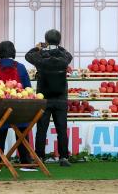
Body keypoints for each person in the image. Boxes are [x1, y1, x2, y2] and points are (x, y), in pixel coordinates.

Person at [0, 41, 36, 172]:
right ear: (13, 52)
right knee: (23, 135)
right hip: (19, 109)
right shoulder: (21, 67)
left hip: (0, 110)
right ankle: (26, 163)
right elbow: (28, 89)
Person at [26, 29, 73, 167]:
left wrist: (39, 47)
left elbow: (28, 56)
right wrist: (58, 46)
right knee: (62, 129)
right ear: (59, 41)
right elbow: (68, 54)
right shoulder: (64, 57)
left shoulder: (40, 56)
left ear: (46, 41)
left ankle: (39, 156)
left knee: (42, 128)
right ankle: (63, 157)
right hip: (61, 98)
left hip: (44, 98)